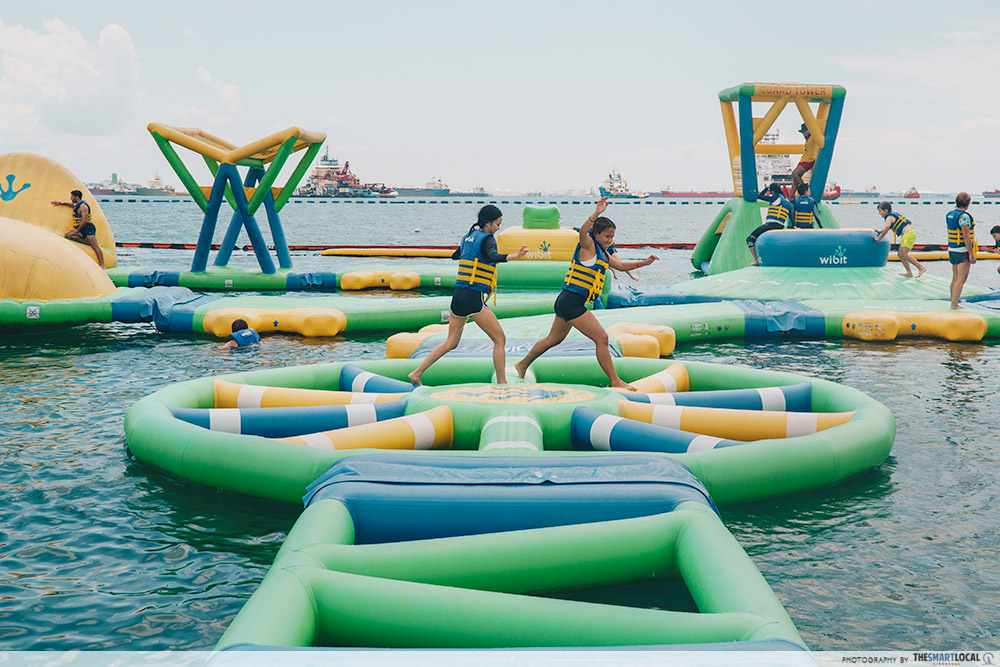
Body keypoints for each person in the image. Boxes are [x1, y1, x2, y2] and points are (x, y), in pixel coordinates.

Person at [514, 197, 658, 391]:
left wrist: (645, 262)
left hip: (567, 301)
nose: (610, 240)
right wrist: (596, 213)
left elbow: (622, 266)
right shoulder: (588, 245)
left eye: (612, 237)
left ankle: (522, 364)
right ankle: (616, 381)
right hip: (571, 302)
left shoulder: (603, 253)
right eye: (607, 236)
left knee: (552, 340)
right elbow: (583, 231)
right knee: (602, 339)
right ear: (596, 234)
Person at [407, 205, 528, 385]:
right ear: (487, 223)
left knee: (451, 342)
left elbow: (456, 256)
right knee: (500, 339)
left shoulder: (468, 237)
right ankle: (502, 383)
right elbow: (492, 256)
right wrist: (514, 256)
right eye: (497, 224)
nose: (498, 228)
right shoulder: (488, 239)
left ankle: (416, 373)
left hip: (458, 297)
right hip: (473, 298)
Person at [51, 190, 105, 268]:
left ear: (77, 197)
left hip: (87, 228)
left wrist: (77, 230)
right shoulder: (78, 205)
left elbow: (85, 220)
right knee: (68, 235)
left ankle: (102, 264)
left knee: (95, 246)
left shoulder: (83, 206)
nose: (70, 198)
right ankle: (86, 242)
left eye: (72, 196)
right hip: (79, 227)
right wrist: (61, 203)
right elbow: (73, 205)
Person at [872, 201, 926, 278]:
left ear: (886, 210)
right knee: (900, 255)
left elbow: (886, 230)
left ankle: (921, 268)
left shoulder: (889, 218)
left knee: (904, 254)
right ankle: (909, 272)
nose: (879, 213)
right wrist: (880, 231)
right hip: (907, 234)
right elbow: (889, 227)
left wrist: (879, 239)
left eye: (880, 211)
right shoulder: (892, 215)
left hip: (908, 234)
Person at [747, 183, 793, 265]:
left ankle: (756, 260)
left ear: (772, 191)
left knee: (750, 238)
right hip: (781, 226)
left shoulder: (775, 197)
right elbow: (791, 217)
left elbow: (759, 196)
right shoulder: (787, 201)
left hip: (771, 224)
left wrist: (766, 188)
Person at [946, 192, 977, 309]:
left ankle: (953, 303)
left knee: (955, 277)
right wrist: (972, 255)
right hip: (962, 251)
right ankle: (954, 305)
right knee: (961, 279)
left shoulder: (950, 214)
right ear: (968, 203)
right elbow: (967, 237)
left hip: (952, 249)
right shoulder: (964, 217)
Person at [791, 122, 821, 194]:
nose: (803, 134)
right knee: (795, 180)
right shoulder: (808, 139)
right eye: (802, 132)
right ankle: (790, 197)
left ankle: (804, 190)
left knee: (795, 174)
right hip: (804, 160)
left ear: (809, 130)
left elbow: (817, 129)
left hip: (808, 160)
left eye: (804, 131)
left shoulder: (813, 137)